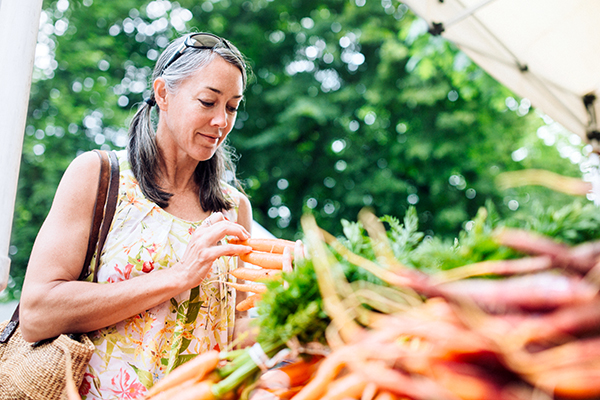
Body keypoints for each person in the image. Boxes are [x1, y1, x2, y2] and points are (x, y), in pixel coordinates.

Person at [19, 32, 262, 399]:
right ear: (163, 94)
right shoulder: (100, 176)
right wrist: (179, 276)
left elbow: (235, 332)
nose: (221, 122)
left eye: (231, 107)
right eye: (208, 101)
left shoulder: (233, 208)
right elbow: (37, 313)